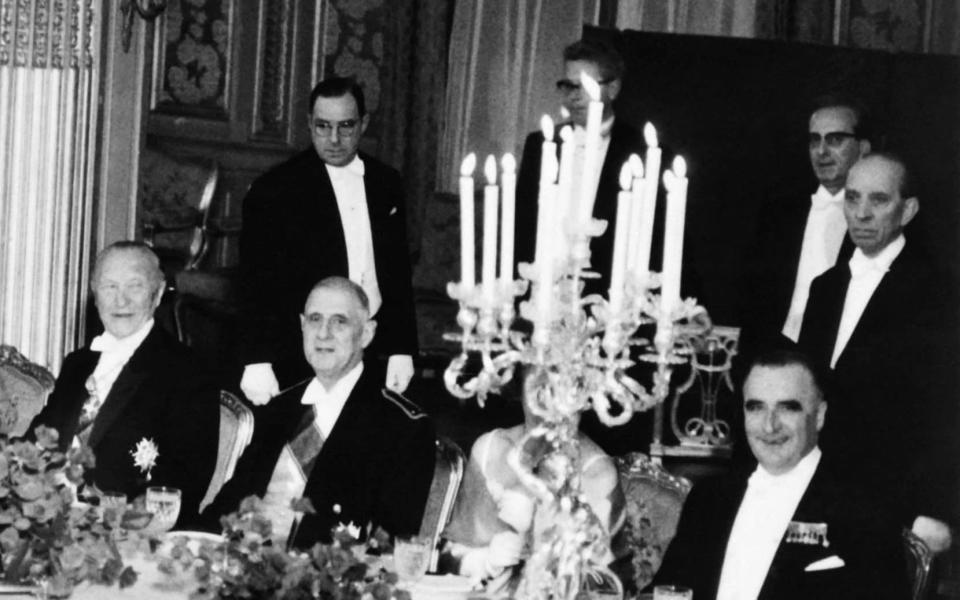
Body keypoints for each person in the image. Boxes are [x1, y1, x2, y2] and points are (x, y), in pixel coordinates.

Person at [799, 153, 959, 553]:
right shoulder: (824, 289)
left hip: (897, 505)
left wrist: (934, 508)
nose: (862, 214)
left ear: (908, 210)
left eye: (879, 200)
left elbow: (946, 413)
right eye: (852, 199)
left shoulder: (940, 294)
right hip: (820, 493)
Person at [653, 349, 908, 600]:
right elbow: (667, 589)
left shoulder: (864, 508)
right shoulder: (709, 498)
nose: (769, 425)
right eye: (756, 408)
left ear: (819, 415)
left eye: (787, 408)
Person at [202, 276, 436, 549]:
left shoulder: (401, 427)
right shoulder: (277, 409)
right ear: (302, 326)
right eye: (315, 319)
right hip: (242, 566)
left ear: (367, 333)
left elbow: (388, 545)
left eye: (339, 321)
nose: (323, 333)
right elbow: (227, 507)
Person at [239, 76, 417, 405]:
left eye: (346, 126)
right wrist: (257, 360)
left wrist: (401, 348)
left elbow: (397, 274)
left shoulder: (386, 182)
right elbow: (254, 283)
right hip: (305, 352)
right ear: (309, 124)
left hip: (371, 347)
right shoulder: (275, 189)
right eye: (323, 126)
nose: (334, 139)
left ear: (364, 123)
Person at [29, 242, 219, 527]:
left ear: (157, 294)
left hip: (123, 535)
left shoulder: (188, 371)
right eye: (110, 287)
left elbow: (182, 485)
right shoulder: (77, 363)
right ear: (95, 294)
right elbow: (39, 440)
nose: (121, 301)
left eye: (135, 286)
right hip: (50, 522)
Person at [441, 366, 625, 594]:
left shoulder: (596, 473)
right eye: (537, 385)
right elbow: (449, 555)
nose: (544, 399)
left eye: (558, 385)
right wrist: (484, 560)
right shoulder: (490, 449)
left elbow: (604, 585)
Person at [515, 39, 648, 296]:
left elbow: (664, 238)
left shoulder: (641, 151)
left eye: (584, 85)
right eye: (567, 85)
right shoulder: (540, 145)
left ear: (613, 88)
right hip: (542, 293)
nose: (573, 96)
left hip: (609, 298)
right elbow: (522, 227)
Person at [741, 94, 870, 349]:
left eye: (835, 140)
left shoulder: (878, 218)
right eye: (814, 140)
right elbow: (755, 299)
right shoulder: (780, 214)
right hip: (776, 355)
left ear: (863, 148)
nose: (822, 151)